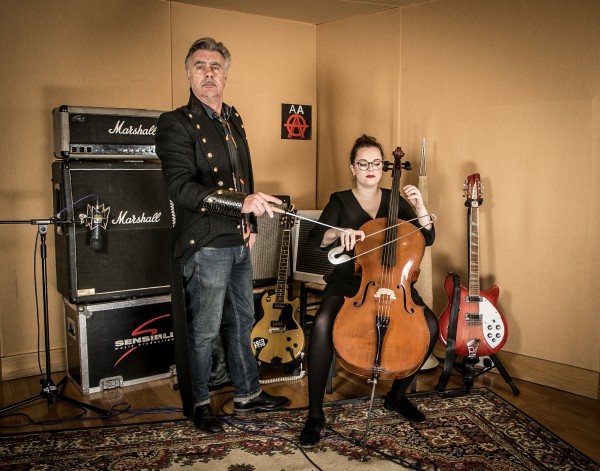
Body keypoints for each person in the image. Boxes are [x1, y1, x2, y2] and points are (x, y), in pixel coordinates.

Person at [155, 37, 290, 434]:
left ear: (226, 75)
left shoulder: (234, 119)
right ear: (188, 74)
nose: (208, 72)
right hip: (205, 243)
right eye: (200, 66)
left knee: (242, 321)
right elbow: (179, 187)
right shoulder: (175, 123)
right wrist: (239, 206)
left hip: (238, 240)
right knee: (205, 329)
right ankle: (198, 403)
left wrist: (251, 225)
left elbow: (244, 180)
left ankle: (247, 394)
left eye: (215, 66)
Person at [300, 134, 438, 446]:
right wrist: (337, 232)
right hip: (351, 284)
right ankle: (315, 414)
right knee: (322, 324)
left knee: (429, 326)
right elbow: (314, 241)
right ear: (353, 167)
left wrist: (419, 206)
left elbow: (426, 239)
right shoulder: (339, 201)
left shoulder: (394, 201)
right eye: (363, 163)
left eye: (376, 163)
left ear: (384, 167)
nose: (370, 168)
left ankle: (397, 396)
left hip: (393, 282)